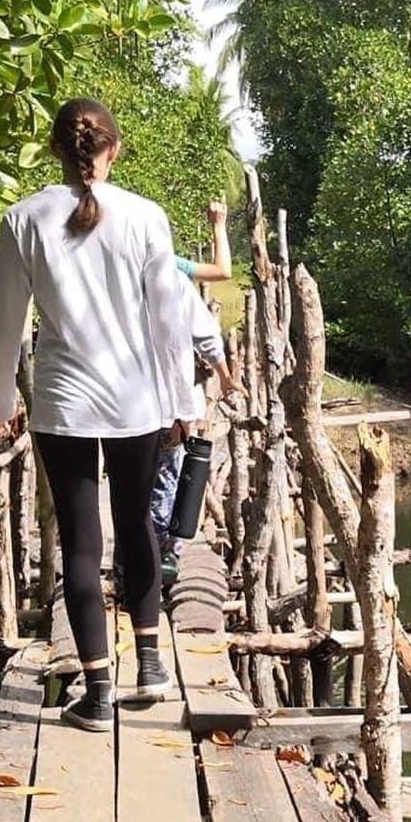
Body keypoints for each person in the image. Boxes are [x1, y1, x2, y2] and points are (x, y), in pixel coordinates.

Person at [0, 97, 221, 732]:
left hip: (62, 404)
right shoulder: (146, 218)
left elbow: (3, 323)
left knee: (82, 543)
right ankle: (150, 666)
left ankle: (96, 695)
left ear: (57, 149)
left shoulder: (23, 218)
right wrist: (183, 401)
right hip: (137, 399)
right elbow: (168, 321)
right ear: (112, 148)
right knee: (138, 522)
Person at [153, 201, 236, 585]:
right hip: (165, 399)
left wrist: (218, 225)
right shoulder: (170, 273)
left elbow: (220, 272)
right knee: (166, 476)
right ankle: (160, 555)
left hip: (121, 402)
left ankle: (140, 556)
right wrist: (226, 375)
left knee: (138, 477)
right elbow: (205, 333)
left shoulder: (117, 273)